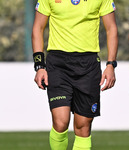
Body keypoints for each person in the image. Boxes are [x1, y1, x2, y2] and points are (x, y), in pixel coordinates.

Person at [32, 0, 118, 149]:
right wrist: (39, 65)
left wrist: (111, 64)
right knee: (60, 122)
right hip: (58, 64)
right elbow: (37, 28)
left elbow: (111, 29)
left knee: (83, 127)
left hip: (88, 65)